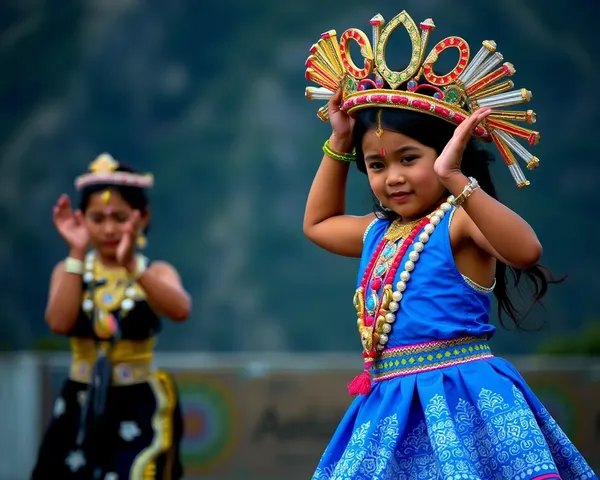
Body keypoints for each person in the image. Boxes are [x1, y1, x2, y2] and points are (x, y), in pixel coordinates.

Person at [303, 10, 597, 479]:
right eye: (376, 165)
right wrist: (339, 141)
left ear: (445, 153)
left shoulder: (459, 220)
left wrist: (456, 180)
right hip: (388, 407)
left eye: (409, 158)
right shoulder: (377, 232)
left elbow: (526, 251)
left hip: (464, 400)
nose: (393, 176)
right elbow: (318, 224)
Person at [32, 153, 191, 479]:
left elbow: (180, 310)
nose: (109, 229)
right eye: (97, 218)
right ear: (81, 220)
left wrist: (132, 265)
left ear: (142, 217)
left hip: (139, 401)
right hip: (80, 400)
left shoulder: (155, 272)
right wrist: (76, 251)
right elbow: (59, 323)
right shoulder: (69, 271)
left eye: (119, 218)